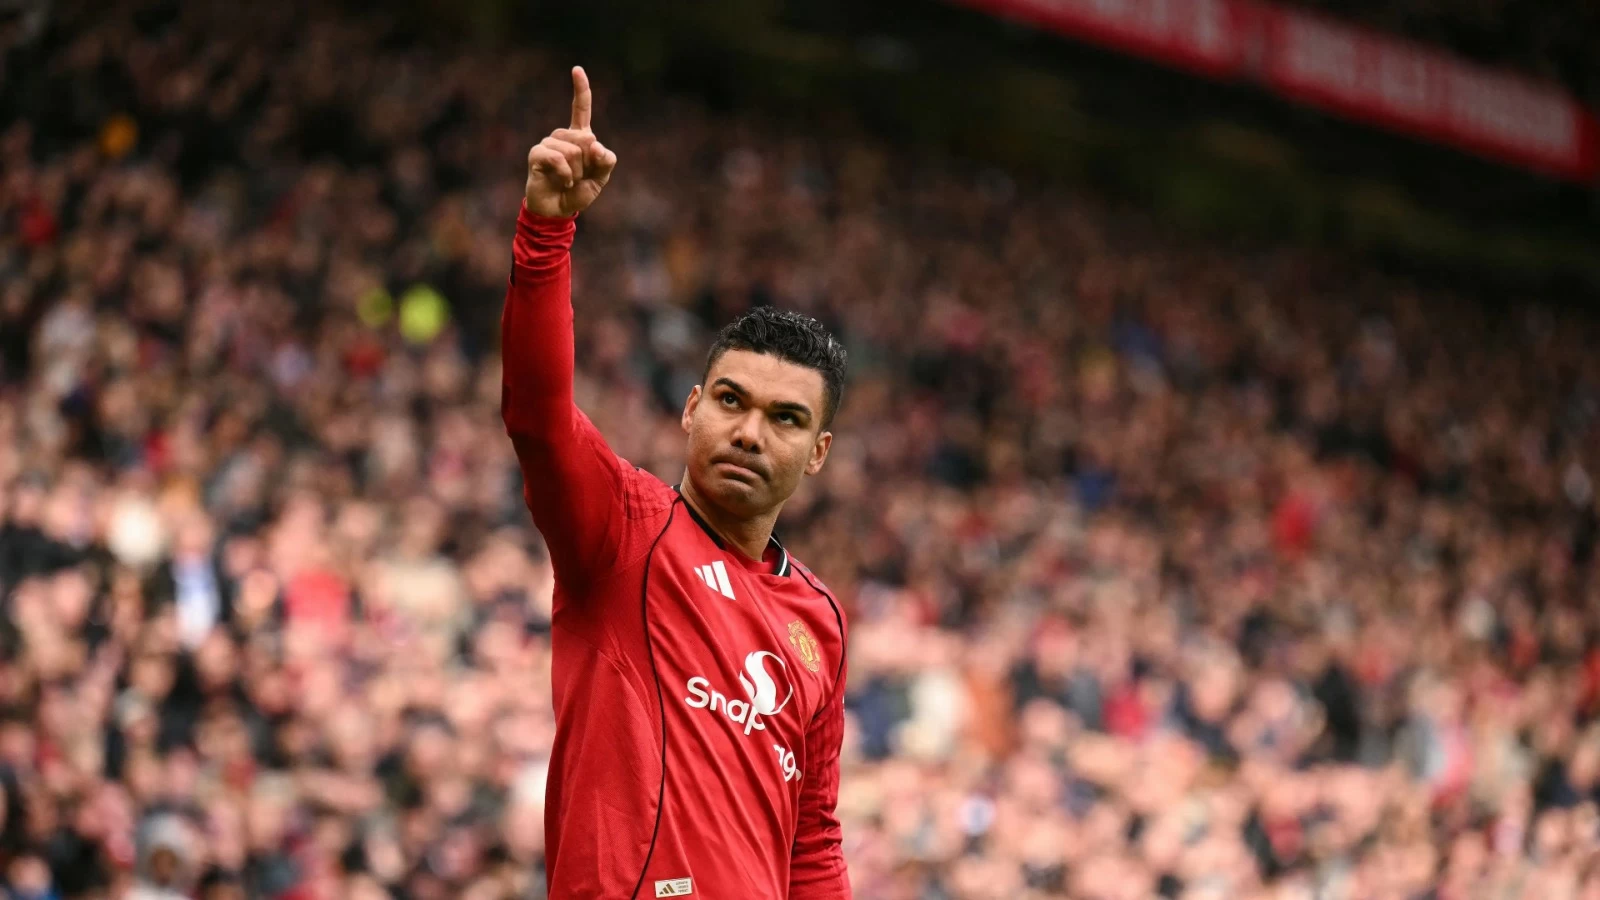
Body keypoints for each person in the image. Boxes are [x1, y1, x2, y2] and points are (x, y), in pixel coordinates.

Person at [500, 67, 852, 899]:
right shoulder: (621, 527)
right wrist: (545, 234)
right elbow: (538, 417)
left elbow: (812, 839)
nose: (749, 431)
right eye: (730, 401)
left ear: (818, 453)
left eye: (785, 418)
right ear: (692, 409)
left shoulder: (819, 621)